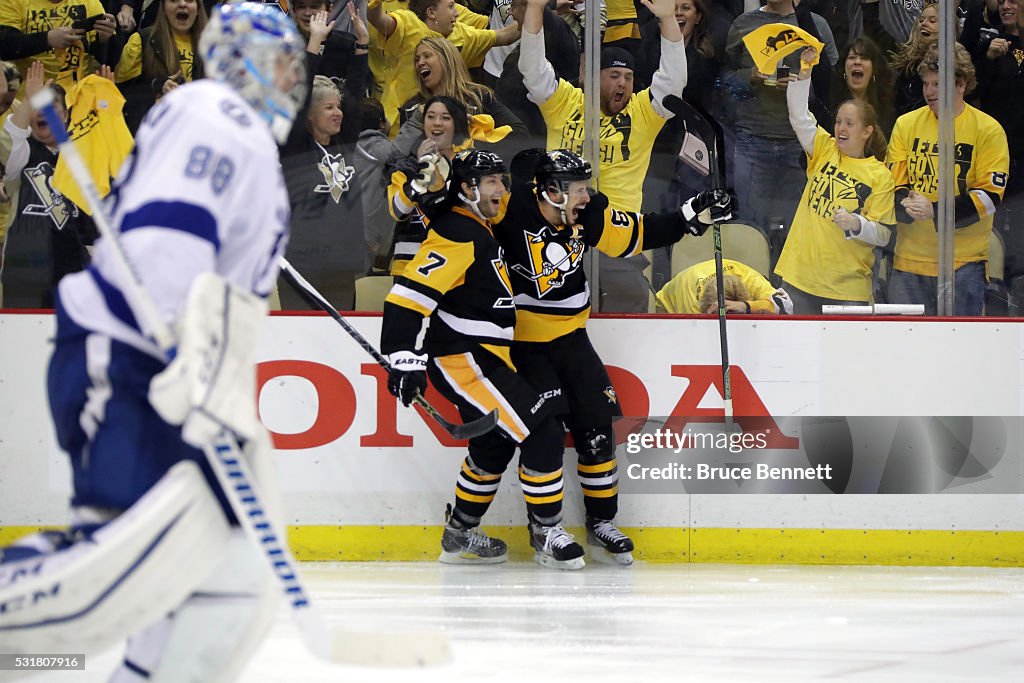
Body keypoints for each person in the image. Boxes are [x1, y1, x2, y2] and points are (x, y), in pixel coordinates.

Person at [0, 4, 306, 679]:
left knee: (220, 581)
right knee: (106, 571)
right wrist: (179, 353)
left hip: (160, 361)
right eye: (281, 66)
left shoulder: (224, 129)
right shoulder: (218, 118)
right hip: (139, 350)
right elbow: (169, 237)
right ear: (247, 65)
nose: (290, 82)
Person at [494, 147, 732, 564]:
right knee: (544, 436)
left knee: (598, 429)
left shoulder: (587, 216)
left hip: (572, 341)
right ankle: (544, 529)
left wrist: (693, 212)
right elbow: (458, 211)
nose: (587, 197)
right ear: (551, 191)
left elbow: (638, 233)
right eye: (579, 189)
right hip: (525, 348)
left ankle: (601, 521)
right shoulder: (508, 214)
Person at [381, 148, 588, 570]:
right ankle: (546, 530)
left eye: (502, 179)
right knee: (542, 430)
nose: (503, 189)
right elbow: (406, 298)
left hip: (484, 357)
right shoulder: (457, 232)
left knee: (493, 443)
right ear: (469, 189)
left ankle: (460, 533)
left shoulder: (476, 224)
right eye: (493, 181)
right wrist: (403, 356)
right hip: (463, 358)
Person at [520, 0, 686, 311]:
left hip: (617, 238)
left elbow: (673, 83)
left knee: (631, 307)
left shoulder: (641, 112)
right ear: (592, 77)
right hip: (558, 234)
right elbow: (532, 70)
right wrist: (533, 9)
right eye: (613, 75)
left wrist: (667, 19)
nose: (622, 82)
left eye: (627, 77)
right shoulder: (566, 102)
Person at [886, 42, 1010, 316]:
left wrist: (935, 210)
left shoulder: (988, 131)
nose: (929, 92)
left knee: (960, 350)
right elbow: (895, 183)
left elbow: (989, 198)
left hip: (963, 263)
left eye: (937, 84)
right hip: (909, 261)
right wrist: (904, 201)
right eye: (926, 84)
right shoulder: (906, 124)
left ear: (961, 84)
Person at [773, 47, 896, 314]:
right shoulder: (824, 149)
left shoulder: (880, 175)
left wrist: (857, 223)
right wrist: (805, 71)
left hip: (846, 289)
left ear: (867, 131)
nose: (841, 128)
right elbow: (798, 116)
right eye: (839, 121)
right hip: (799, 278)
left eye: (849, 124)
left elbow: (884, 234)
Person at [723, 0, 838, 246]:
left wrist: (803, 84)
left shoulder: (816, 25)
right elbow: (723, 83)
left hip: (802, 145)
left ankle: (788, 285)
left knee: (800, 230)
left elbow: (831, 84)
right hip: (752, 139)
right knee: (749, 231)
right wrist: (750, 75)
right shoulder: (743, 24)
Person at [0, 61, 96, 308]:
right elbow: (7, 146)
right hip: (24, 272)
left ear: (65, 115)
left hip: (74, 272)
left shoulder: (81, 157)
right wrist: (28, 100)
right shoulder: (22, 153)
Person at [367, 0, 521, 133]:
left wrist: (533, 12)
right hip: (401, 125)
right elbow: (378, 19)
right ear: (431, 13)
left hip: (444, 127)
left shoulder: (462, 33)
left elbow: (504, 36)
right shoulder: (408, 24)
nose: (456, 13)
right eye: (451, 7)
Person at [114, 0, 207, 134]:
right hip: (155, 133)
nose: (182, 4)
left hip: (196, 133)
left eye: (189, 0)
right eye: (174, 0)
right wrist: (156, 86)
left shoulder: (212, 47)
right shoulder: (141, 41)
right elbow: (121, 95)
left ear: (198, 8)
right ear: (163, 8)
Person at [0, 0, 122, 97]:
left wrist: (105, 39)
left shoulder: (89, 2)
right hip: (28, 96)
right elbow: (5, 46)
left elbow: (111, 61)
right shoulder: (12, 2)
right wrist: (47, 39)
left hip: (77, 99)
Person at [656, 258, 793, 314]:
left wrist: (746, 306)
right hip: (665, 306)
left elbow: (787, 306)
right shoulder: (691, 304)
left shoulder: (749, 279)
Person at [831, 35, 895, 138]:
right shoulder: (831, 103)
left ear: (873, 69)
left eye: (864, 58)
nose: (857, 62)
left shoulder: (887, 108)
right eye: (852, 57)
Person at [890, 0, 942, 118]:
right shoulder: (905, 66)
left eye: (932, 20)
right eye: (921, 20)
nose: (924, 23)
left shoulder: (952, 64)